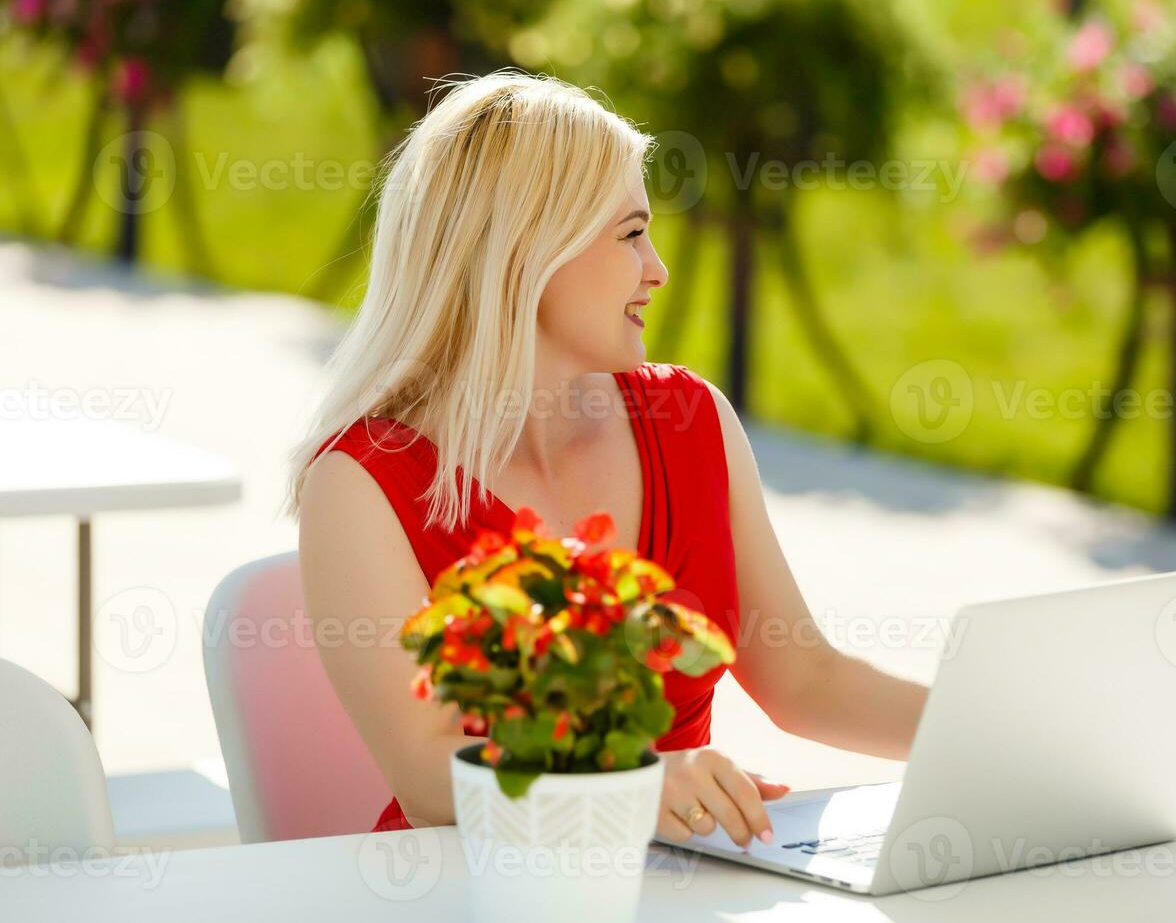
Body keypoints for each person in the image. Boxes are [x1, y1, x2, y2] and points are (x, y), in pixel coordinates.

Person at [287, 71, 927, 849]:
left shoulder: (691, 422)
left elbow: (808, 683)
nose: (656, 268)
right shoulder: (360, 483)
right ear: (527, 249)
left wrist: (1004, 731)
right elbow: (427, 778)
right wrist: (633, 789)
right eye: (630, 235)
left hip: (675, 888)